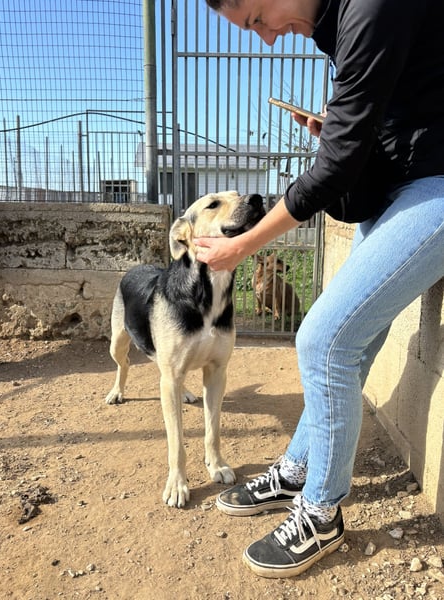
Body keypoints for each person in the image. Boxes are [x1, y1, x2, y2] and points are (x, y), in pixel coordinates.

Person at [195, 0, 444, 579]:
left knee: (324, 340)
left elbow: (334, 171)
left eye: (255, 20)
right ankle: (299, 468)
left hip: (435, 182)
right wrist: (338, 130)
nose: (266, 40)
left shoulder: (370, 8)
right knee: (353, 339)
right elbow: (376, 125)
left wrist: (243, 244)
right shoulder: (339, 24)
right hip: (401, 186)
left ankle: (322, 511)